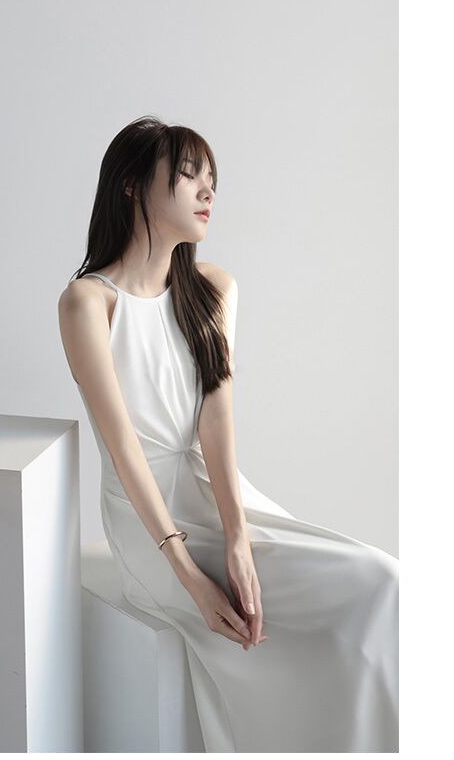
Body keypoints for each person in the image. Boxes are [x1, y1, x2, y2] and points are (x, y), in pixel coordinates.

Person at [57, 116, 398, 753]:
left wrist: (238, 538)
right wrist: (187, 571)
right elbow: (124, 448)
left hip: (216, 497)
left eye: (211, 179)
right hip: (147, 525)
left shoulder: (214, 288)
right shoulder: (88, 302)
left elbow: (216, 424)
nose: (208, 192)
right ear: (132, 185)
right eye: (189, 175)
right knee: (372, 589)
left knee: (381, 582)